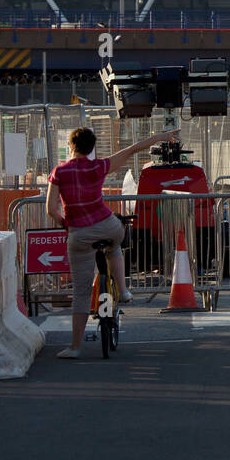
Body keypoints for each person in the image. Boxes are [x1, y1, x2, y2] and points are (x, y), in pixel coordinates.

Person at [47, 126, 179, 359]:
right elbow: (131, 150)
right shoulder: (99, 167)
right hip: (106, 225)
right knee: (114, 245)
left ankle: (75, 347)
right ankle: (124, 290)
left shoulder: (59, 172)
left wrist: (67, 225)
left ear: (71, 146)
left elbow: (51, 210)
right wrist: (159, 137)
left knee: (80, 292)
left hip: (79, 233)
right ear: (91, 148)